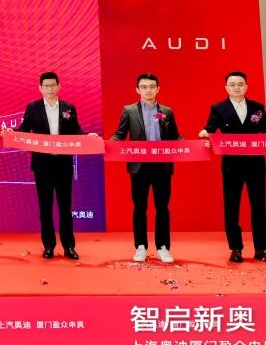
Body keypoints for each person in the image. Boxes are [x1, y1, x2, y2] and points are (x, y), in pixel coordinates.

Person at [199, 71, 266, 264]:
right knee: (232, 206)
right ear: (226, 87)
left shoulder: (257, 108)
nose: (237, 87)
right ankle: (235, 248)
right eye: (232, 84)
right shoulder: (218, 108)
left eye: (240, 84)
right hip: (231, 165)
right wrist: (204, 133)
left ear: (246, 86)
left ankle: (262, 249)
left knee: (259, 207)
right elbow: (209, 130)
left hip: (255, 164)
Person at [14, 72, 100, 260]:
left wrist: (87, 136)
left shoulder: (69, 108)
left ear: (59, 86)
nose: (50, 88)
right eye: (46, 86)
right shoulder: (33, 108)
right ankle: (48, 246)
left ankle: (69, 246)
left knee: (65, 206)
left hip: (63, 163)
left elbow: (76, 130)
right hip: (42, 164)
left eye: (53, 85)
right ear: (40, 88)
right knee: (45, 207)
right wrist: (9, 133)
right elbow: (23, 130)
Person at [110, 73, 182, 264]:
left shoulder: (167, 111)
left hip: (162, 166)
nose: (148, 90)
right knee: (139, 207)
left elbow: (175, 137)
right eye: (144, 87)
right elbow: (119, 135)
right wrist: (107, 144)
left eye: (152, 87)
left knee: (162, 207)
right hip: (139, 166)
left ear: (158, 89)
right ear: (137, 89)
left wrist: (195, 145)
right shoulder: (129, 111)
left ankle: (163, 247)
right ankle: (140, 246)